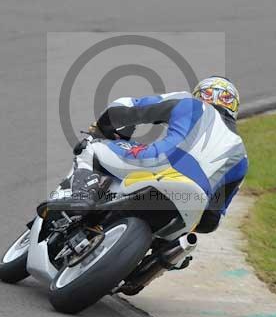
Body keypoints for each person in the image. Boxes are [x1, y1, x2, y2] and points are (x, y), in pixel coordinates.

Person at [62, 76, 248, 234]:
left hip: (158, 164)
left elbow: (128, 108)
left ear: (200, 94)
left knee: (91, 148)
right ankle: (164, 257)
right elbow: (211, 220)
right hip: (193, 200)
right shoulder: (241, 155)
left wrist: (105, 127)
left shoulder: (189, 102)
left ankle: (80, 198)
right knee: (179, 244)